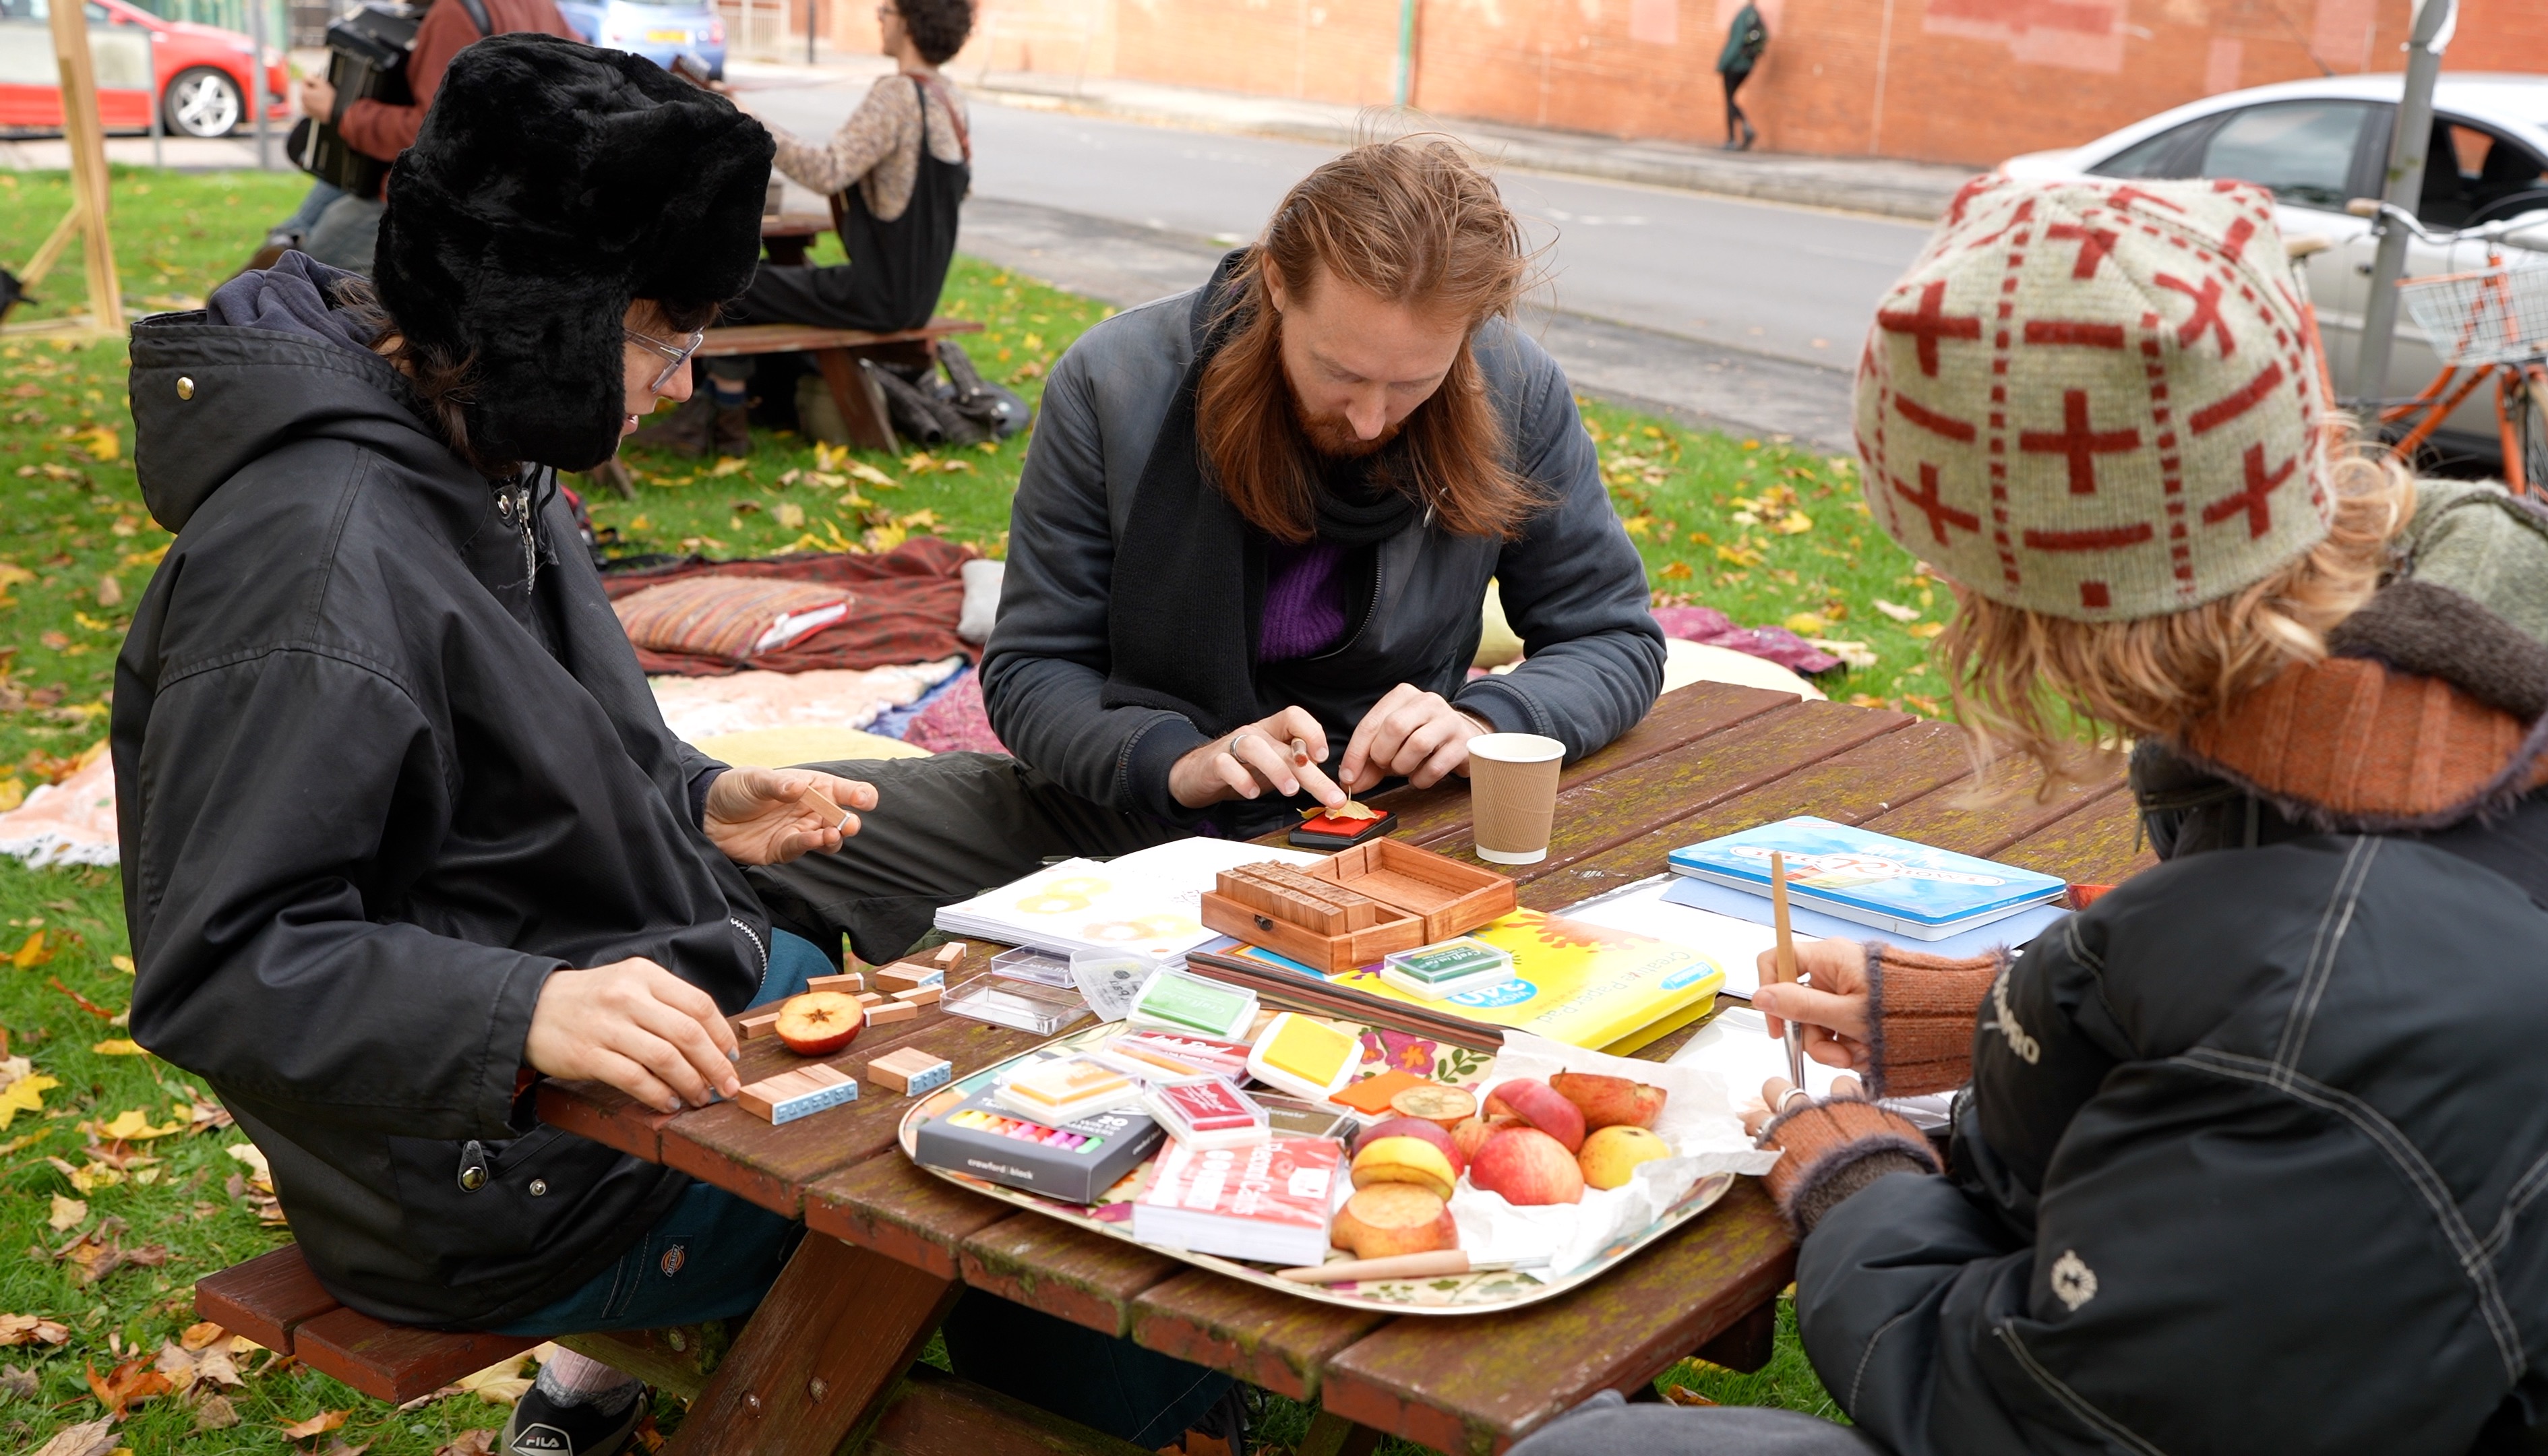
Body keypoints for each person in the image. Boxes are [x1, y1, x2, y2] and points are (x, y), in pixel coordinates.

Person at [117, 36, 1234, 1456]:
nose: (682, 379)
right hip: (494, 1179)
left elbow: (494, 768)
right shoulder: (315, 560)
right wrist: (516, 1014)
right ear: (548, 309)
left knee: (1047, 1028)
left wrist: (695, 796)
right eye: (663, 335)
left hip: (614, 1042)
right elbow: (220, 964)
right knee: (1016, 1173)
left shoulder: (475, 434)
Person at [1511, 175, 2548, 1455]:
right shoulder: (2450, 692)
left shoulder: (2347, 982)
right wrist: (1991, 1017)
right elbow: (2272, 1060)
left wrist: (1862, 1189)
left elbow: (2048, 1416)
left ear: (2042, 612)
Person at [747, 135, 1666, 961]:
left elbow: (1614, 639)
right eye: (1339, 372)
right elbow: (1032, 672)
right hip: (1136, 801)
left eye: (1413, 384)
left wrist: (1488, 722)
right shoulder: (1114, 381)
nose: (1372, 418)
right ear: (1275, 285)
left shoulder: (1514, 390)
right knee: (767, 821)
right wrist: (1181, 762)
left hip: (1390, 827)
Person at [638, 0, 975, 456]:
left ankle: (720, 420)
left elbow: (827, 171)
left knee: (726, 286)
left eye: (887, 9)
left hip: (875, 295)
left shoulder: (897, 94)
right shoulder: (949, 99)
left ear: (912, 20)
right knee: (754, 283)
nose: (880, 16)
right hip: (916, 296)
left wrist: (745, 117)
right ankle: (731, 411)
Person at [265, 0, 580, 274]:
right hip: (505, 202)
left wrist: (340, 111)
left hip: (436, 203)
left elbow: (433, 132)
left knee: (306, 273)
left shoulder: (455, 13)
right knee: (298, 227)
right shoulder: (543, 7)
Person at [1716, 1, 1766, 152]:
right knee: (1732, 99)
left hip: (1734, 65)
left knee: (1729, 100)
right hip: (1747, 65)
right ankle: (1746, 127)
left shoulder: (1743, 16)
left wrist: (1722, 63)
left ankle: (1732, 138)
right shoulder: (1755, 15)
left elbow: (1736, 42)